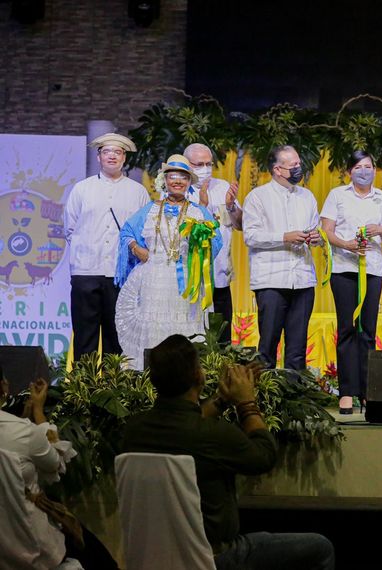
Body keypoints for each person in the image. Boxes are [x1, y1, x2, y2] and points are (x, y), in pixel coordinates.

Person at [121, 335, 334, 570]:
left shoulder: (133, 430)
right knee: (321, 548)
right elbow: (264, 456)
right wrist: (246, 403)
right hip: (215, 557)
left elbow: (184, 422)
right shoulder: (212, 434)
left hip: (152, 559)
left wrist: (223, 400)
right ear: (198, 376)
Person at [0, 369, 118, 569]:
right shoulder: (22, 432)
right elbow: (56, 464)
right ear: (4, 387)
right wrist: (38, 411)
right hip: (35, 547)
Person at [114, 155, 222, 370]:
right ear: (165, 180)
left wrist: (199, 248)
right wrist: (137, 248)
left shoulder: (199, 212)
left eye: (183, 177)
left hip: (186, 280)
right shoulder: (150, 209)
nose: (178, 181)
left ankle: (185, 378)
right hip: (153, 278)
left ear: (189, 182)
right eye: (173, 176)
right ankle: (147, 381)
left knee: (185, 326)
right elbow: (126, 232)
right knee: (153, 326)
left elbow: (216, 239)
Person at [320, 150, 382, 414]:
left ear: (375, 170)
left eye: (369, 166)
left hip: (372, 269)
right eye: (359, 167)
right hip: (344, 268)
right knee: (347, 328)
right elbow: (326, 232)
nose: (365, 171)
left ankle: (367, 391)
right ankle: (347, 392)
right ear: (349, 171)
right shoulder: (337, 195)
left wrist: (381, 229)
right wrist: (347, 244)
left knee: (368, 330)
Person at [63, 133, 150, 360]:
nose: (112, 156)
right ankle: (84, 389)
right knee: (84, 335)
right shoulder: (82, 189)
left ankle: (115, 389)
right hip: (86, 271)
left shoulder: (138, 191)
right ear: (99, 157)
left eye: (118, 152)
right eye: (106, 151)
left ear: (124, 158)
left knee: (118, 336)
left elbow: (143, 232)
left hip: (121, 274)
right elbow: (69, 229)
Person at [242, 145, 322, 369]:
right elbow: (251, 236)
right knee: (268, 345)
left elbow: (318, 231)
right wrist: (284, 237)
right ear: (277, 169)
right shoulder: (257, 197)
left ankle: (295, 397)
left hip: (303, 279)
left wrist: (317, 237)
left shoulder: (307, 196)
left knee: (297, 348)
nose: (299, 168)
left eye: (299, 163)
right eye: (294, 165)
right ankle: (266, 398)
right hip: (271, 280)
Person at [181, 143, 244, 344]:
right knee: (193, 340)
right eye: (199, 164)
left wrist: (231, 205)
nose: (205, 168)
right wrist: (203, 206)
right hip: (190, 281)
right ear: (187, 165)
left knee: (222, 341)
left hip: (220, 277)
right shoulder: (177, 191)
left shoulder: (222, 186)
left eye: (209, 163)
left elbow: (240, 225)